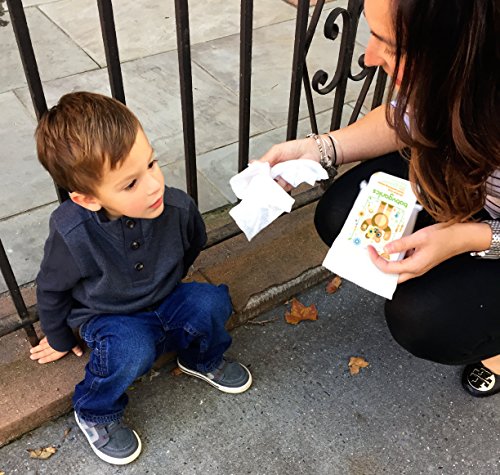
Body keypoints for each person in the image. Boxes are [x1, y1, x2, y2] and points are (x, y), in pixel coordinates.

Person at [259, 0, 499, 396]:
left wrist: (468, 238)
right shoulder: (462, 71)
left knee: (426, 320)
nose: (369, 58)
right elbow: (405, 117)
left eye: (390, 45)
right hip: (464, 182)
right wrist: (319, 149)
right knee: (340, 214)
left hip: (487, 220)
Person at [30, 92, 252, 465]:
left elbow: (193, 243)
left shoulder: (177, 206)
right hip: (106, 315)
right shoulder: (73, 232)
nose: (153, 185)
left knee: (211, 302)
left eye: (151, 163)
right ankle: (96, 411)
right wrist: (58, 337)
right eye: (130, 183)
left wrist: (168, 283)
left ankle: (200, 358)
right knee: (131, 347)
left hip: (166, 299)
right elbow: (51, 289)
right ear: (88, 199)